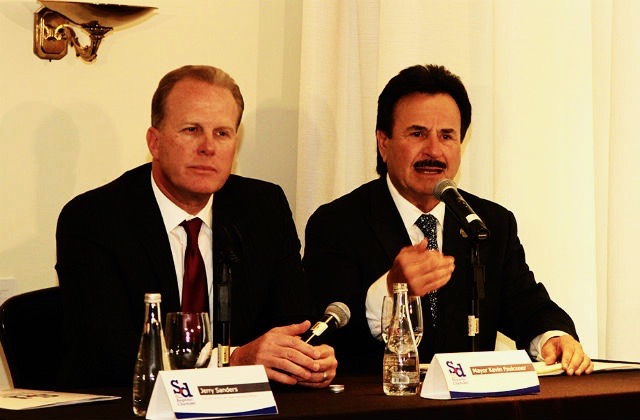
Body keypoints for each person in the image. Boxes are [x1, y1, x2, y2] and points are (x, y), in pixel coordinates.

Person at [55, 65, 337, 389]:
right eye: (191, 130)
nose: (208, 147)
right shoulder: (94, 219)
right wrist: (232, 362)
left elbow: (295, 324)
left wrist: (306, 359)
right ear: (155, 142)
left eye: (222, 133)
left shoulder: (263, 208)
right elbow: (109, 355)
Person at [303, 64, 593, 376]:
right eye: (417, 134)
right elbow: (323, 333)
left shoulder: (488, 223)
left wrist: (554, 337)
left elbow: (527, 305)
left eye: (447, 136)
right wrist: (392, 290)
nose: (434, 150)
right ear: (383, 143)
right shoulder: (337, 223)